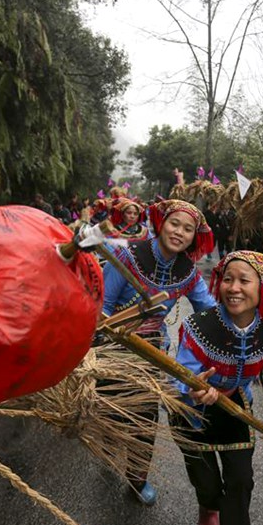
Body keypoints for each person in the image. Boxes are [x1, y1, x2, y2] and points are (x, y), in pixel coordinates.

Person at [172, 250, 263, 525]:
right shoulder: (199, 326)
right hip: (192, 411)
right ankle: (208, 507)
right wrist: (193, 389)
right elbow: (179, 374)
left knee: (241, 480)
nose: (233, 288)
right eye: (228, 279)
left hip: (236, 406)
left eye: (244, 280)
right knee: (206, 481)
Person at [101, 199, 218, 505]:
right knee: (111, 409)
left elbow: (208, 312)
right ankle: (108, 440)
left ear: (194, 237)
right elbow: (103, 306)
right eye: (174, 224)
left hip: (151, 349)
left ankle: (138, 478)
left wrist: (240, 323)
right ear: (161, 223)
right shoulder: (127, 255)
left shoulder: (189, 272)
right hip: (111, 345)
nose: (179, 232)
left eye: (188, 229)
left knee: (146, 415)